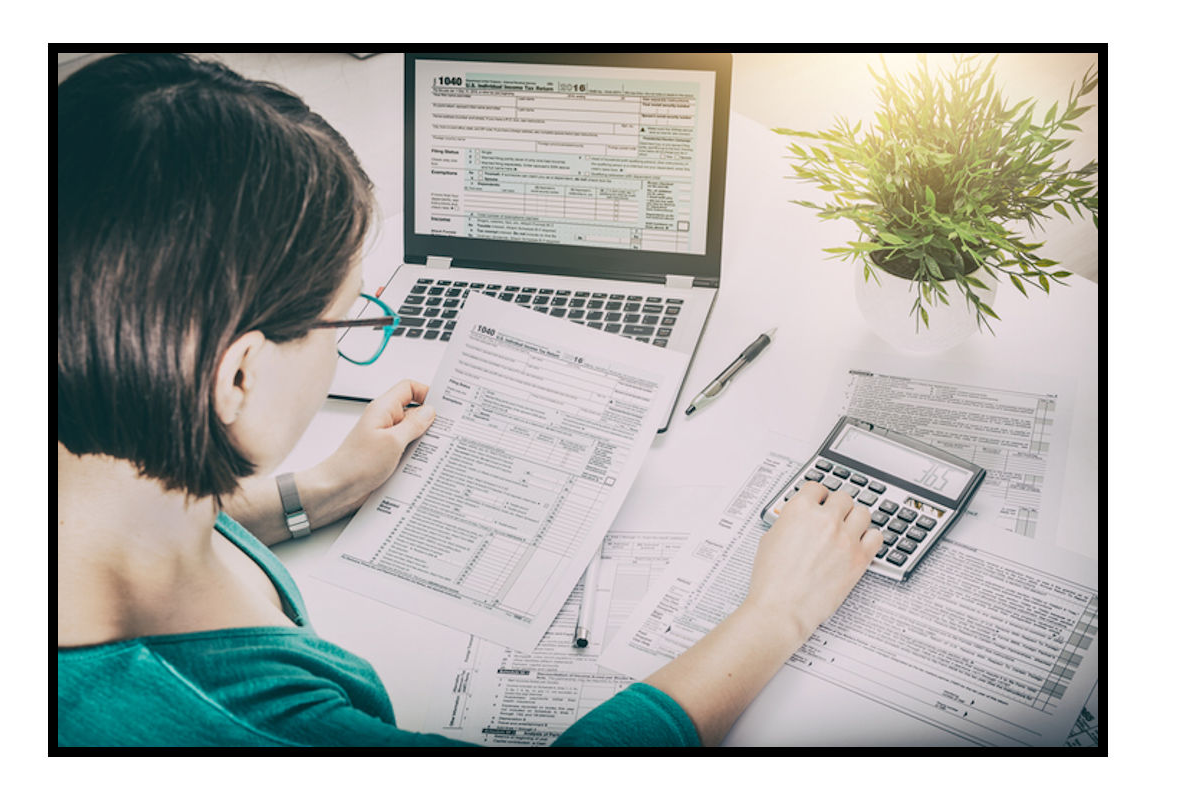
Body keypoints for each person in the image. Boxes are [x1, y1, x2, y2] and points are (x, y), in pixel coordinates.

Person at [56, 53, 883, 748]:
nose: (359, 332)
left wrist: (321, 490)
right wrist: (779, 613)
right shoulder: (240, 728)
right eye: (350, 316)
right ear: (238, 377)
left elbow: (146, 513)